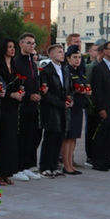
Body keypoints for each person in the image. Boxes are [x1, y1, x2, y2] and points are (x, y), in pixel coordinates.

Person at [0, 39, 23, 185]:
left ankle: (7, 173)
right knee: (3, 139)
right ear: (3, 49)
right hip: (3, 106)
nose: (12, 49)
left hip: (14, 106)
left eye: (13, 47)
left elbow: (18, 82)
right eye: (9, 47)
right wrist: (11, 94)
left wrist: (21, 92)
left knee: (11, 139)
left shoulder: (14, 66)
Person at [38, 44, 72, 178]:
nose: (62, 54)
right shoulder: (46, 71)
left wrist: (70, 100)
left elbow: (69, 88)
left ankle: (54, 166)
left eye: (63, 52)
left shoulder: (65, 70)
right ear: (51, 55)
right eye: (59, 52)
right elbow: (46, 93)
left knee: (59, 138)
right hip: (52, 110)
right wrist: (60, 103)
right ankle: (45, 166)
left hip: (63, 109)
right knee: (50, 138)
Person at [12, 33, 42, 181]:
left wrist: (39, 91)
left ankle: (27, 166)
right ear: (21, 44)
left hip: (33, 106)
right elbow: (18, 84)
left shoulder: (33, 62)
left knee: (32, 137)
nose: (31, 46)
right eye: (28, 43)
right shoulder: (17, 62)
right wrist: (29, 95)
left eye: (33, 43)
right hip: (22, 106)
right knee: (21, 137)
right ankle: (17, 167)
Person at [89, 41, 110, 172]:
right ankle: (97, 161)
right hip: (104, 106)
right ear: (104, 51)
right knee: (101, 135)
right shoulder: (98, 68)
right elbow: (97, 90)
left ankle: (108, 160)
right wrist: (101, 108)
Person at [62, 46, 88, 175]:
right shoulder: (67, 71)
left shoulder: (80, 72)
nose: (78, 60)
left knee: (74, 138)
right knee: (67, 137)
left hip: (78, 108)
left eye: (79, 57)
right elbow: (66, 89)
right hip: (70, 108)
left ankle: (71, 163)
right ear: (68, 58)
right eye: (75, 57)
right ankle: (66, 164)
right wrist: (75, 91)